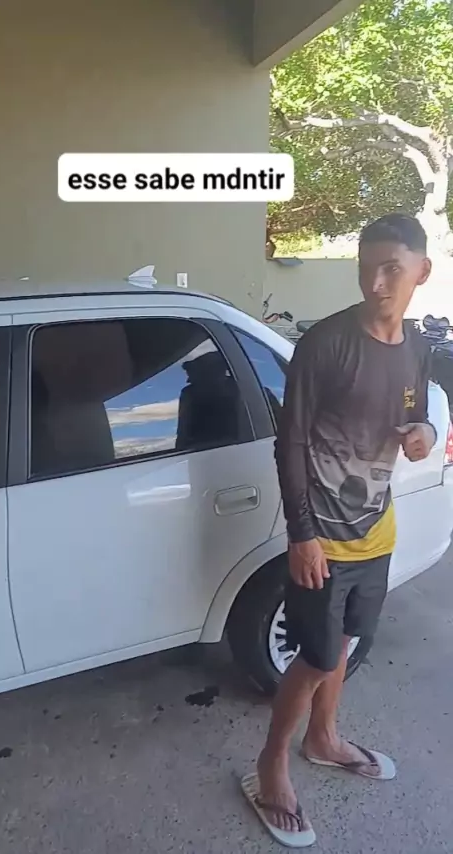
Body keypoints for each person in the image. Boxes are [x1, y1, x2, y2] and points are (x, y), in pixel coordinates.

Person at [241, 213, 437, 848]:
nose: (375, 283)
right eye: (366, 268)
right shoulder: (325, 344)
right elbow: (291, 443)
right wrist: (301, 535)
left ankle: (323, 739)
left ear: (422, 273)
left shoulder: (416, 347)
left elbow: (414, 412)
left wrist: (424, 432)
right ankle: (271, 763)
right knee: (317, 655)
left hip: (377, 530)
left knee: (348, 640)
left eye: (391, 269)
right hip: (322, 537)